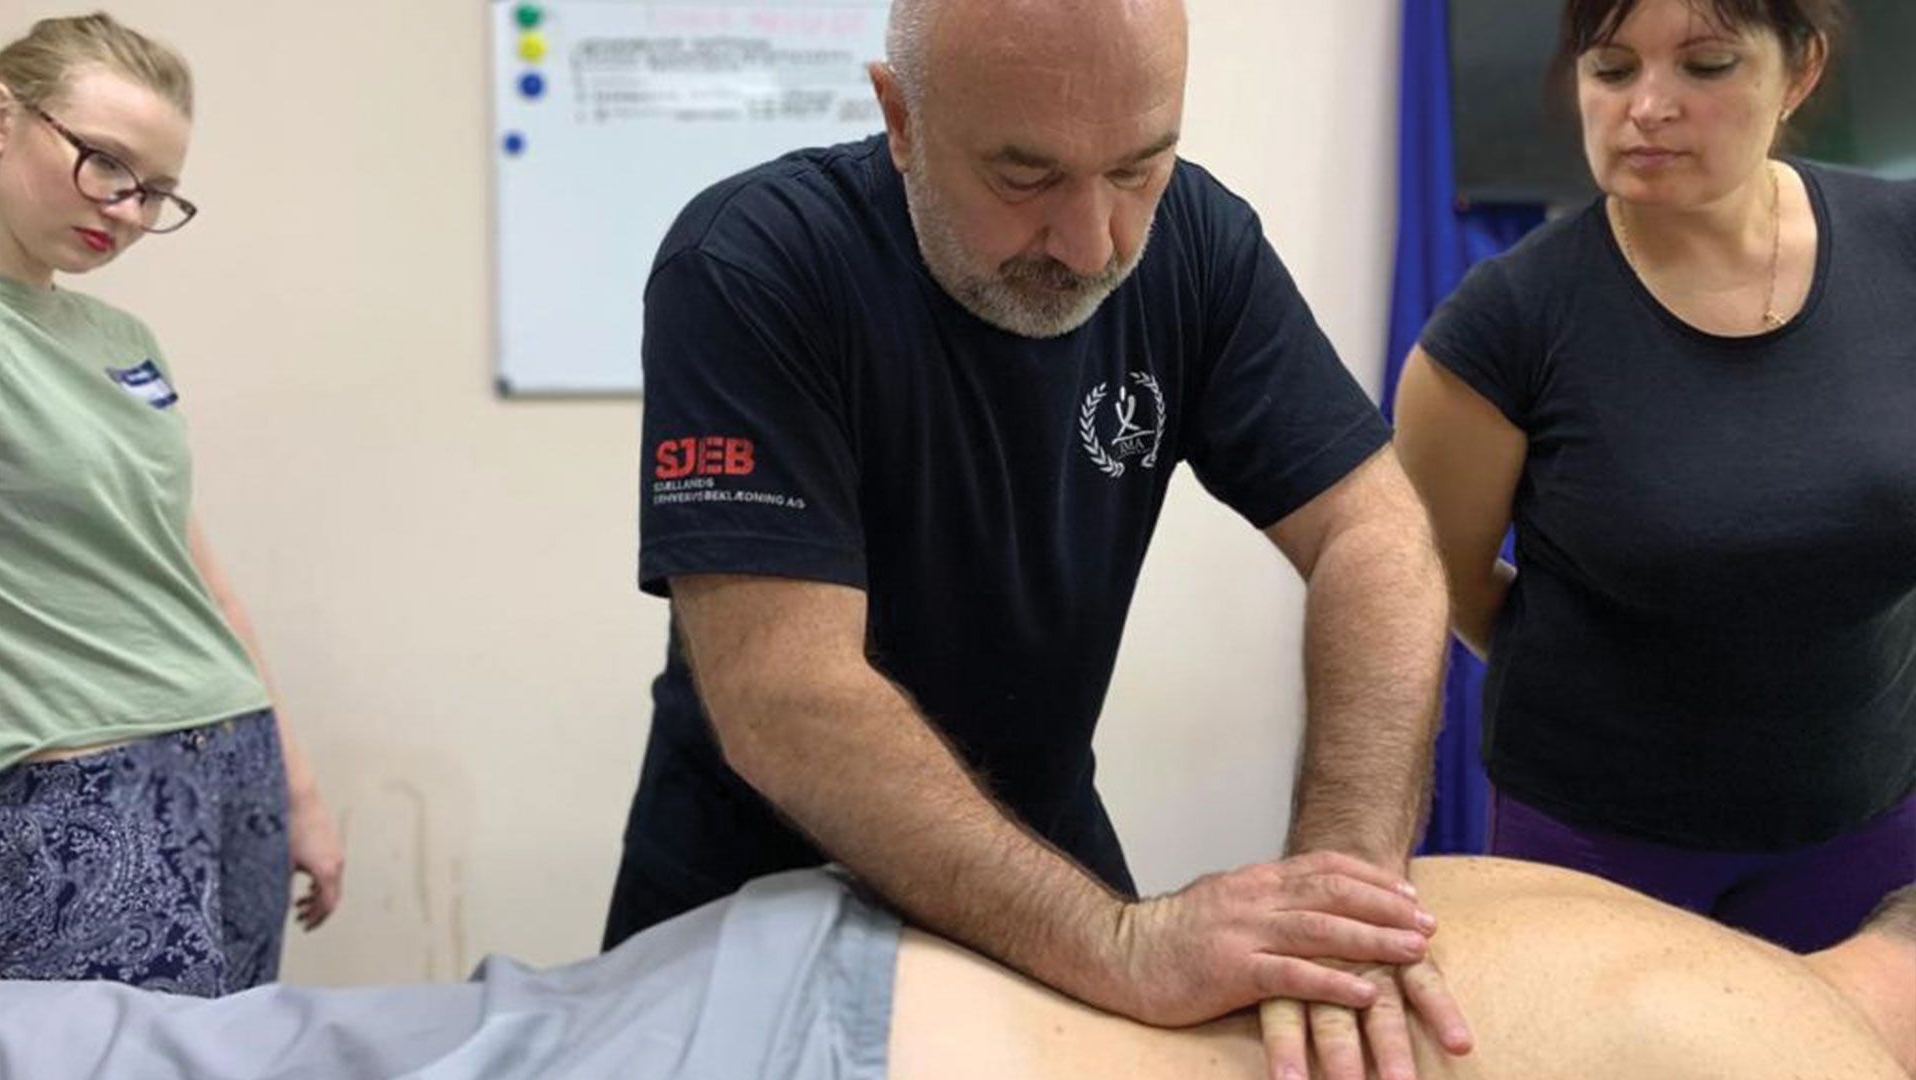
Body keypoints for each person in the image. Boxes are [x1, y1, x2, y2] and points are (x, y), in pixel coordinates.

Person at [614, 0, 1466, 1076]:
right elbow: (786, 700)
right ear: (901, 119)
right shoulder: (754, 263)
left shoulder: (1197, 246)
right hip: (756, 888)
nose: (1094, 243)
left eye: (1137, 170)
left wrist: (1346, 879)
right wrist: (1122, 945)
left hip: (1042, 853)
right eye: (1026, 179)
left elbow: (1373, 531)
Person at [1393, 0, 1916, 953]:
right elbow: (1449, 581)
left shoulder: (1903, 244)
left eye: (1706, 66)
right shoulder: (1505, 324)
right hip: (1599, 839)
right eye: (1612, 68)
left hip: (1866, 816)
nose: (1647, 107)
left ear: (1798, 73)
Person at [4, 857, 1910, 1079]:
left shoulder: (1610, 923)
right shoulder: (1789, 1051)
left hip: (826, 957)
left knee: (261, 1049)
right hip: (828, 1059)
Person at [0, 13, 344, 996]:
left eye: (155, 191)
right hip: (71, 778)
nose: (127, 210)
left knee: (239, 1056)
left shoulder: (122, 338)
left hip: (232, 753)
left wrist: (299, 787)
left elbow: (188, 569)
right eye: (106, 164)